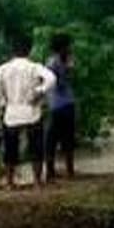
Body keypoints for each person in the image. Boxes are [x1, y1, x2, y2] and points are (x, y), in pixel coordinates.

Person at [0, 33, 57, 190]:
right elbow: (52, 78)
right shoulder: (34, 67)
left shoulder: (3, 68)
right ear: (30, 49)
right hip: (31, 110)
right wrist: (40, 91)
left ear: (12, 50)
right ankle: (37, 182)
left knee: (10, 148)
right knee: (36, 148)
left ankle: (9, 182)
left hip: (12, 111)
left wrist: (2, 102)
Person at [45, 32, 78, 181]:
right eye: (68, 46)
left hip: (64, 103)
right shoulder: (53, 63)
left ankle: (68, 170)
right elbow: (57, 83)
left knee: (67, 138)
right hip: (58, 104)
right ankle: (51, 171)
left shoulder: (61, 61)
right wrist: (68, 69)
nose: (70, 48)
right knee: (53, 139)